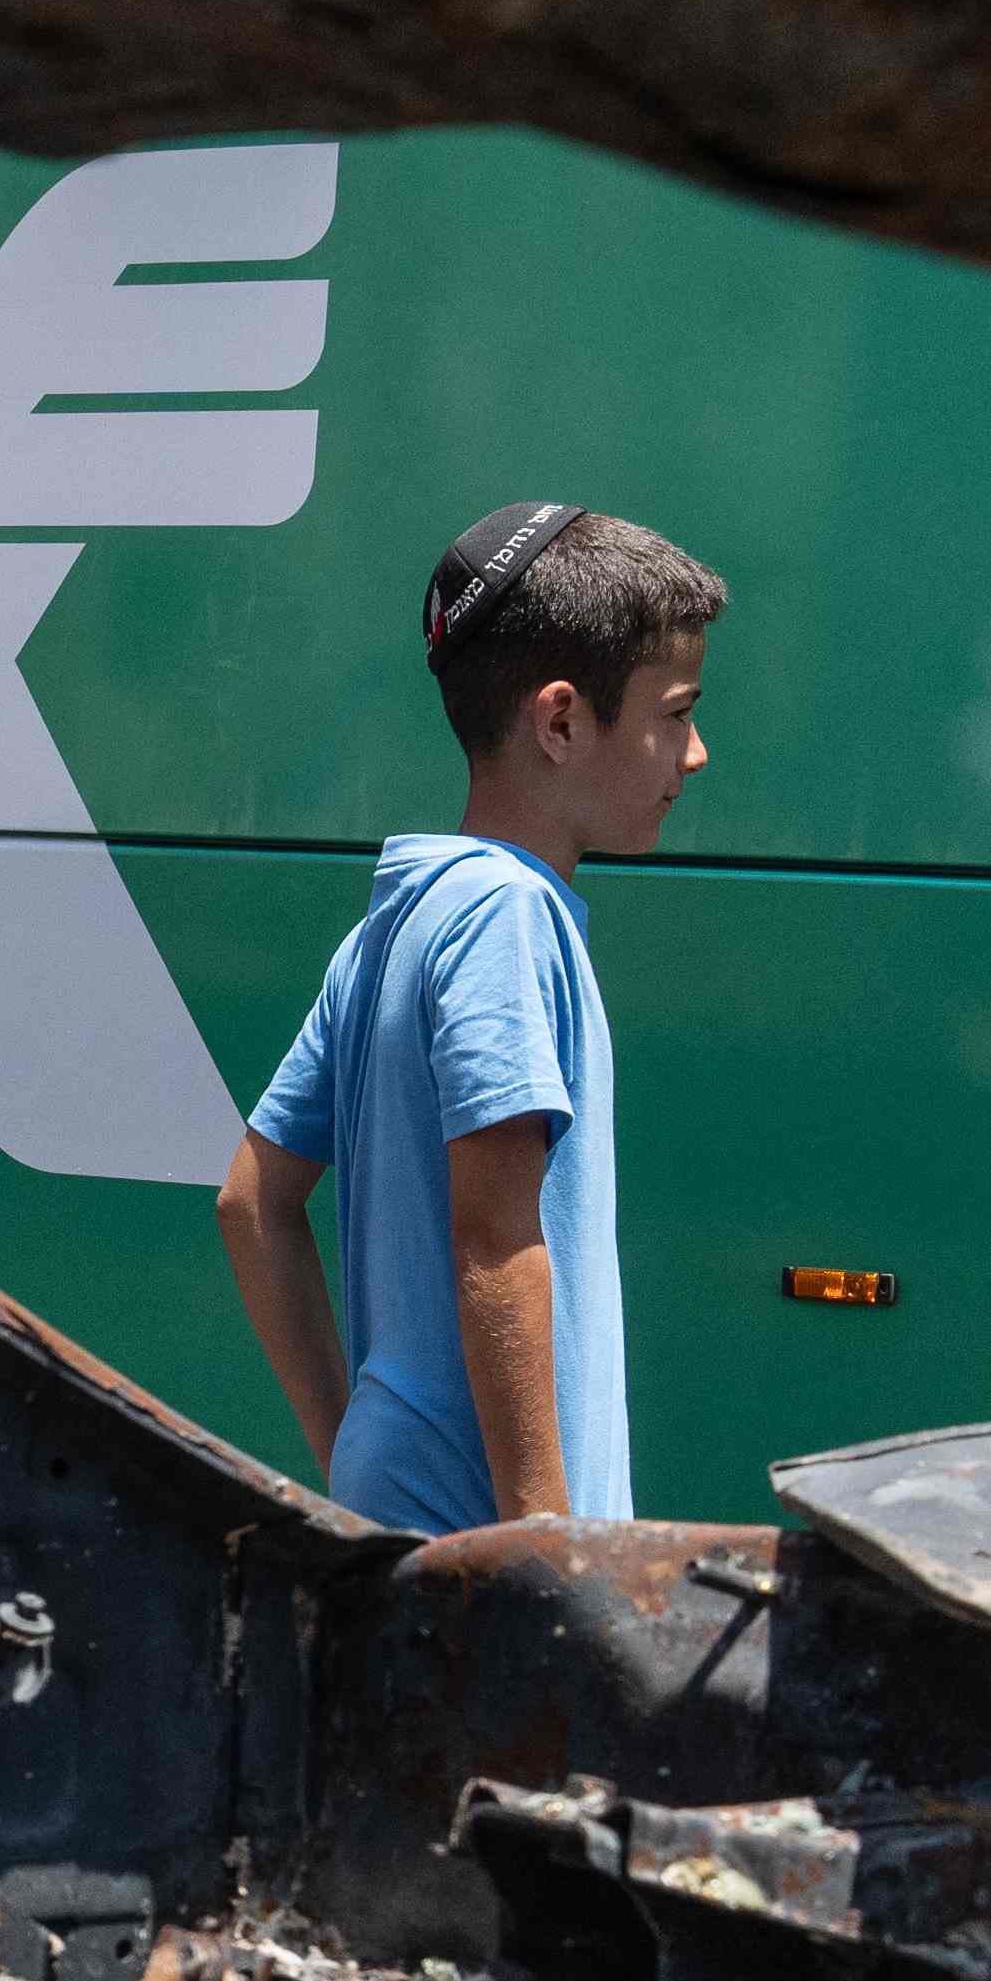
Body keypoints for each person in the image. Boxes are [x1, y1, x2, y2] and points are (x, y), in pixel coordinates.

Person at [216, 499, 720, 1528]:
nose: (696, 751)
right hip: (496, 1562)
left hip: (410, 1509)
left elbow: (251, 1203)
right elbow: (495, 1240)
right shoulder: (507, 915)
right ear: (563, 721)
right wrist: (543, 1553)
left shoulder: (400, 921)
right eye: (675, 712)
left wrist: (352, 1439)